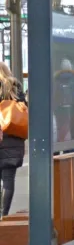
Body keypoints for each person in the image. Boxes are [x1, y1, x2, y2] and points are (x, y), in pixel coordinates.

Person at [0, 63, 24, 216]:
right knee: (8, 179)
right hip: (13, 137)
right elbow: (24, 108)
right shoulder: (15, 87)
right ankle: (3, 215)